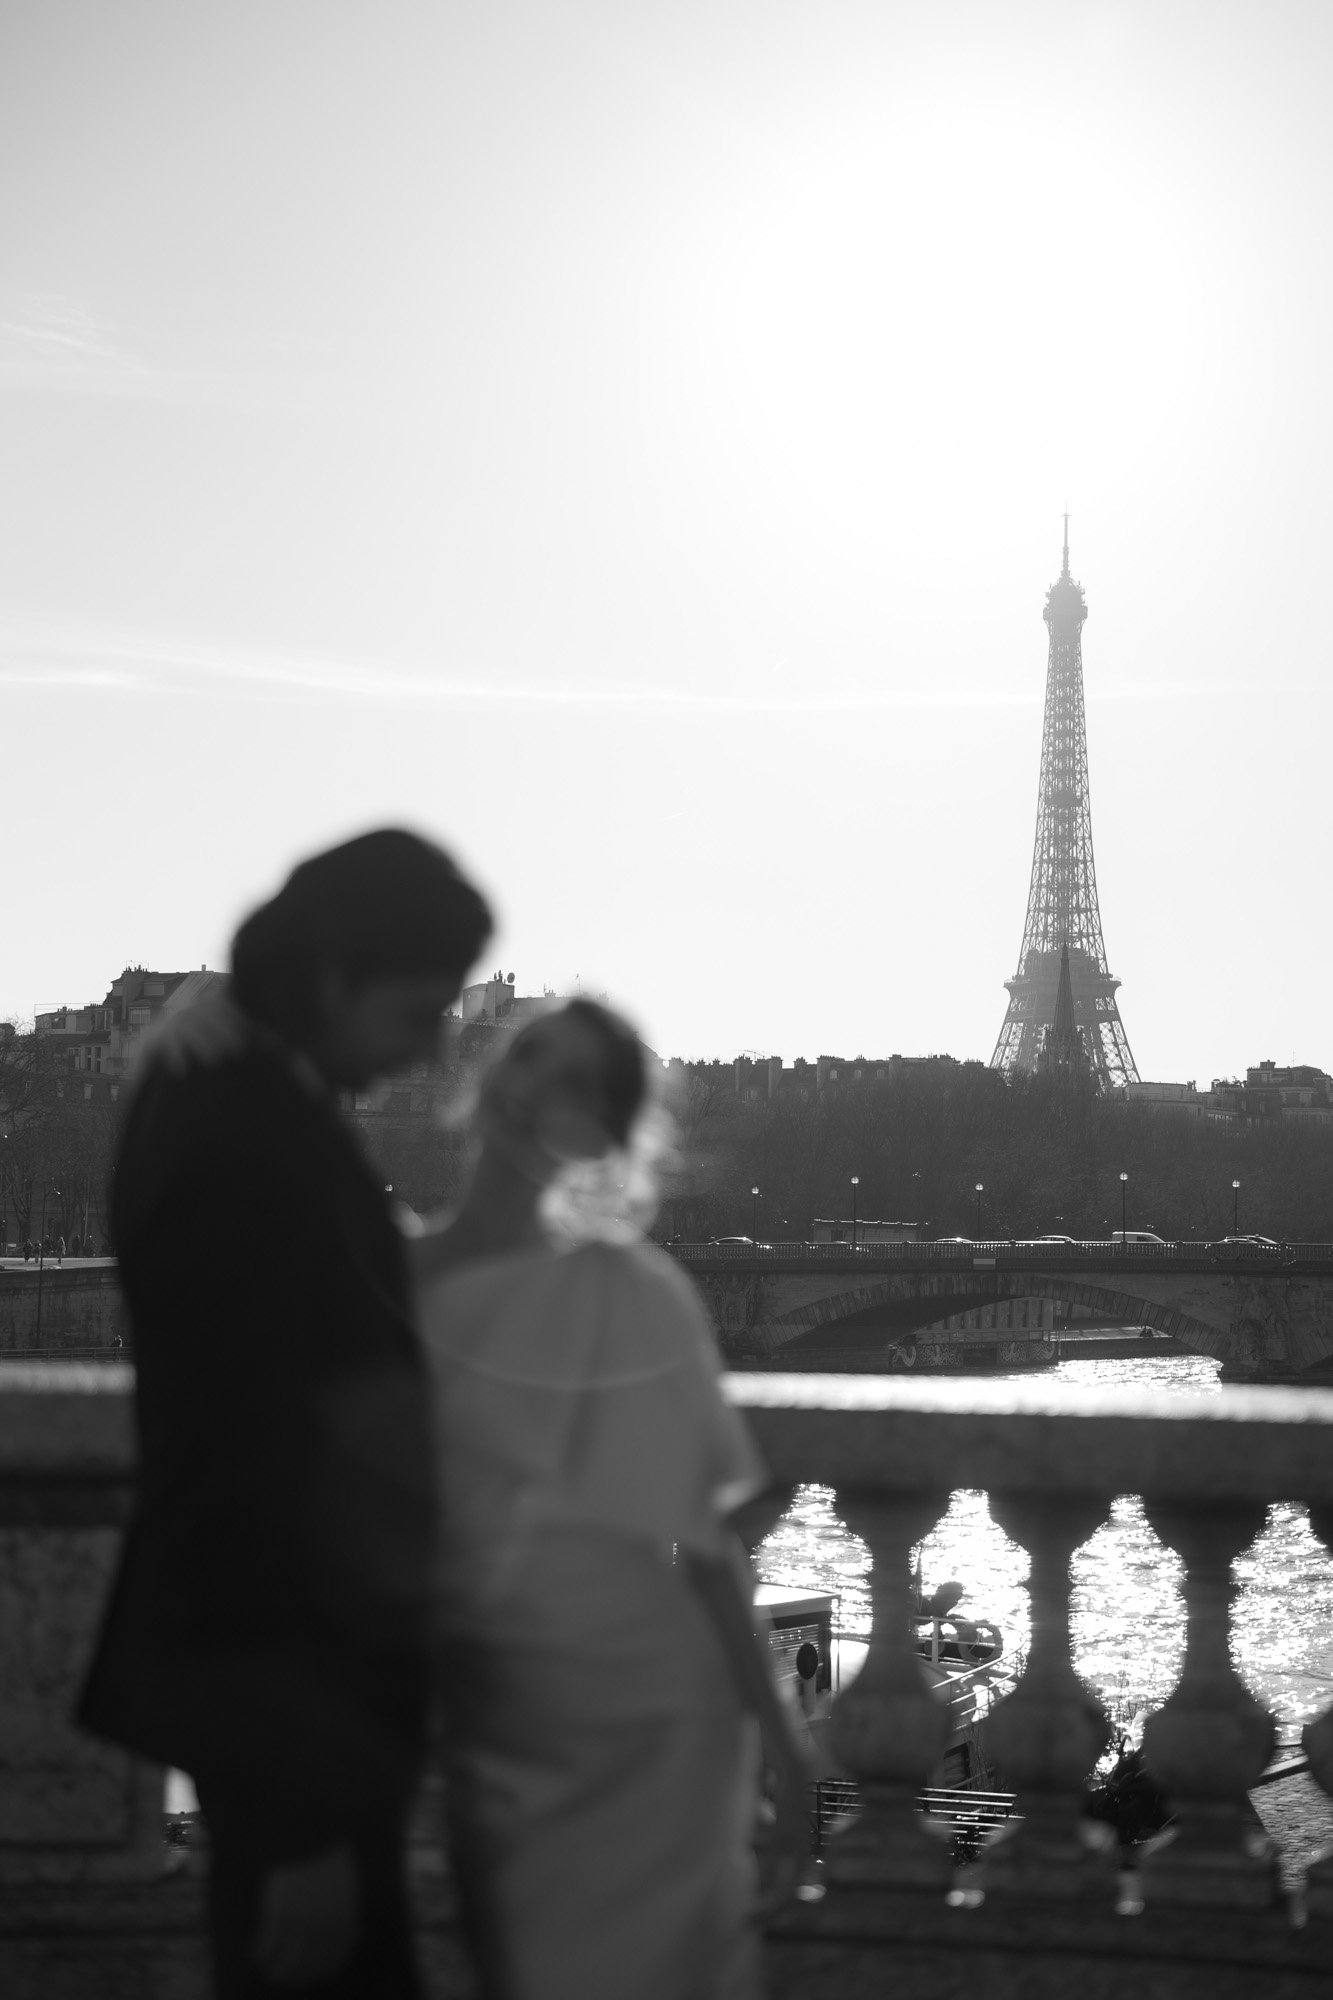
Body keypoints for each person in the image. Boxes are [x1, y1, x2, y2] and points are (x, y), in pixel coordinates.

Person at [78, 828, 491, 1999]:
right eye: (420, 1007)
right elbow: (233, 1486)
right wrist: (294, 1822)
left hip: (303, 1729)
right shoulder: (241, 1139)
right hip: (294, 1747)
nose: (437, 1043)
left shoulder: (241, 1095)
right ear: (328, 978)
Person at [414, 999, 810, 2000]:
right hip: (497, 1716)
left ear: (602, 1132)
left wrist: (781, 1740)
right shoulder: (381, 1274)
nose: (537, 1082)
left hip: (659, 1726)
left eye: (577, 1080)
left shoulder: (634, 1288)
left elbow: (708, 1547)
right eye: (530, 1050)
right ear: (489, 1066)